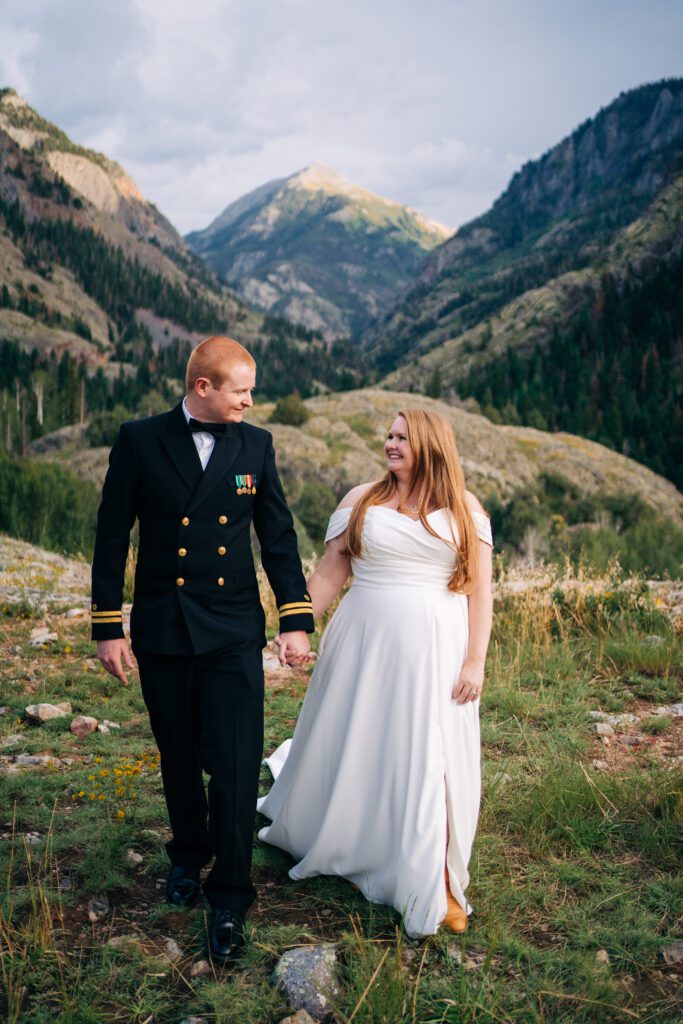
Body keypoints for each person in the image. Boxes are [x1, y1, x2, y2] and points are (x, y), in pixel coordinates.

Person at [91, 335, 313, 963]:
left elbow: (277, 535)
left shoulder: (256, 445)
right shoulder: (140, 439)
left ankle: (231, 897)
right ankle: (188, 853)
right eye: (241, 389)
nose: (251, 399)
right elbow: (112, 536)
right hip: (163, 629)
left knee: (239, 763)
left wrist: (294, 618)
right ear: (203, 388)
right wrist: (108, 626)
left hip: (233, 628)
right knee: (179, 756)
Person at [258, 408, 493, 938]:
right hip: (363, 643)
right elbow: (328, 574)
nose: (390, 444)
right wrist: (296, 627)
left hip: (437, 650)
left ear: (430, 445)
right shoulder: (361, 500)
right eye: (388, 435)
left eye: (403, 437)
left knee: (430, 757)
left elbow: (481, 593)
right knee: (366, 742)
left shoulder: (464, 508)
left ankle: (436, 881)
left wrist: (474, 661)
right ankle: (356, 837)